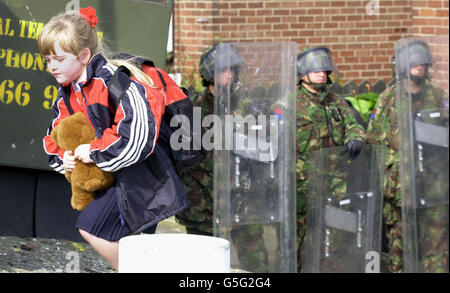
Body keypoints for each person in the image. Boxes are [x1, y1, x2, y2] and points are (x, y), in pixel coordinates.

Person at [39, 7, 189, 271]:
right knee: (129, 241)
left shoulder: (114, 81)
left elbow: (137, 136)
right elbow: (54, 138)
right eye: (47, 59)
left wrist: (94, 152)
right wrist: (66, 159)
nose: (51, 67)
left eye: (59, 59)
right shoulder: (66, 94)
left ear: (84, 55)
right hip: (116, 175)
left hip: (144, 175)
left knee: (92, 228)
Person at [175, 44, 270, 272]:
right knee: (201, 263)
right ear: (208, 75)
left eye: (232, 70)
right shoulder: (191, 107)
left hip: (241, 198)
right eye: (222, 70)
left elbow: (264, 144)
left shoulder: (248, 105)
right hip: (202, 199)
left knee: (256, 261)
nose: (228, 75)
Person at [366, 40, 448, 272]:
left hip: (434, 185)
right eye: (414, 62)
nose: (419, 67)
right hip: (399, 186)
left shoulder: (438, 96)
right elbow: (373, 138)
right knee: (399, 248)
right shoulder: (388, 98)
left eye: (423, 63)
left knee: (436, 244)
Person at [295, 46, 366, 271]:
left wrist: (355, 137)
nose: (322, 74)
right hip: (300, 185)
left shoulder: (336, 102)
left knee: (333, 240)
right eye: (316, 70)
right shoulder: (290, 103)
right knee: (295, 241)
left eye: (325, 70)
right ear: (302, 74)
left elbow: (353, 125)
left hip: (333, 184)